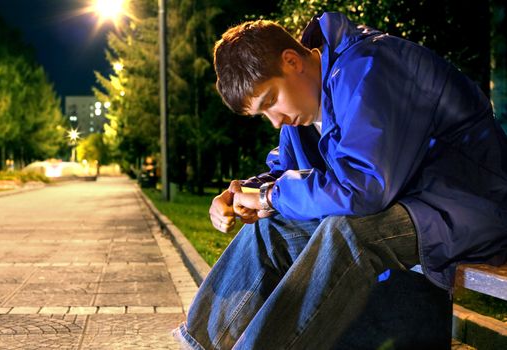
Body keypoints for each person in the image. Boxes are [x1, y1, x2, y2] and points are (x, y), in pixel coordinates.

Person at [173, 12, 507, 349]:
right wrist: (246, 194)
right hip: (405, 203)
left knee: (348, 231)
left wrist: (271, 197)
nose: (275, 121)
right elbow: (285, 175)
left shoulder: (369, 67)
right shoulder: (303, 109)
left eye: (271, 101)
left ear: (291, 61)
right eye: (263, 114)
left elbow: (363, 187)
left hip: (468, 204)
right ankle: (199, 344)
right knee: (270, 227)